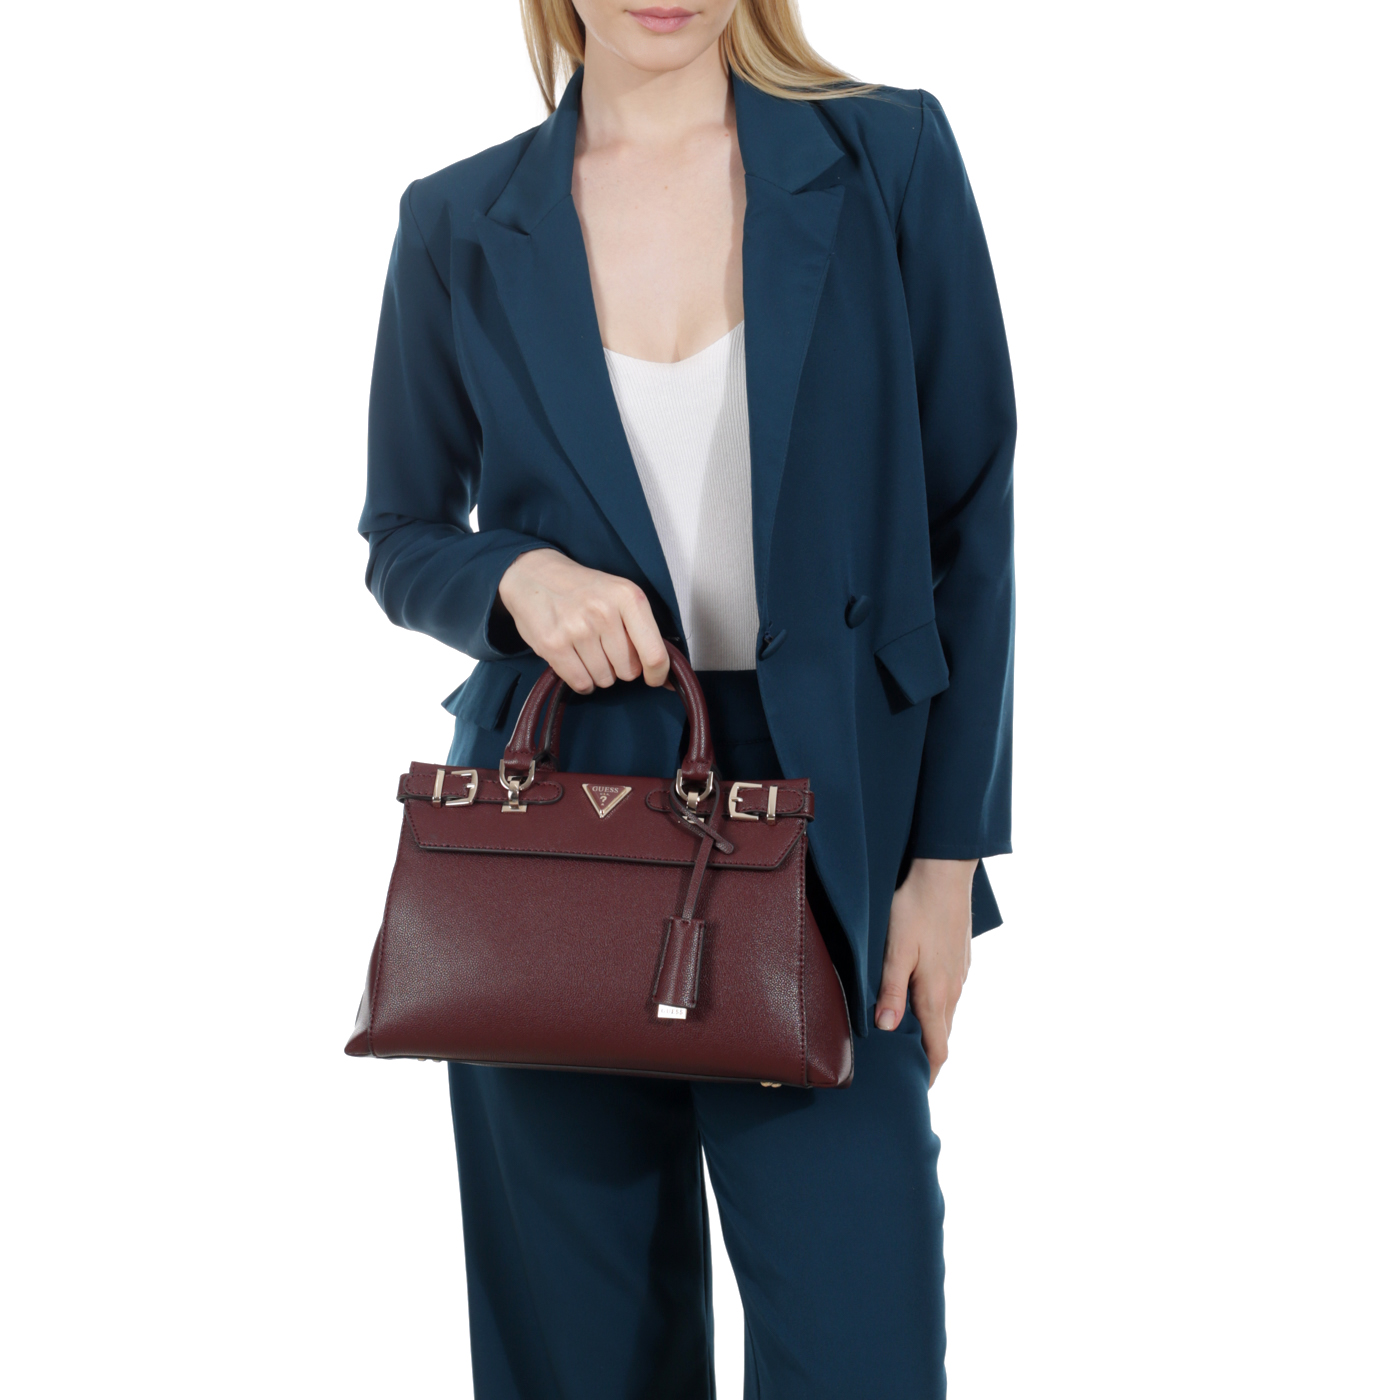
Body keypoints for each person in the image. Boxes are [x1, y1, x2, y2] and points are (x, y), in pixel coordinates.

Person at [358, 1, 1014, 1393]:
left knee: (861, 1349)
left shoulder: (886, 156)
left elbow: (970, 515)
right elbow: (401, 533)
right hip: (554, 835)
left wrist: (947, 863)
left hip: (829, 825)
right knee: (576, 1360)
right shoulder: (457, 220)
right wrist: (517, 575)